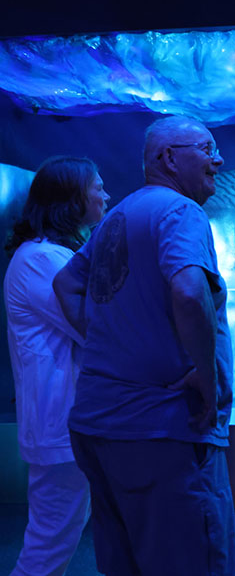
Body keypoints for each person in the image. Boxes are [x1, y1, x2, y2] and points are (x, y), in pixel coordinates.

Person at [52, 115, 235, 576]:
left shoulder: (118, 216)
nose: (219, 159)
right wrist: (205, 374)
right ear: (169, 158)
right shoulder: (181, 211)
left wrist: (106, 337)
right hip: (162, 430)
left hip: (99, 427)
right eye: (207, 147)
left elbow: (65, 284)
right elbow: (189, 291)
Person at [4, 155, 109, 576]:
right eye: (96, 187)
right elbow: (93, 327)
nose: (105, 193)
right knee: (48, 544)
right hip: (58, 424)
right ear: (70, 199)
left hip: (68, 424)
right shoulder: (40, 260)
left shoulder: (50, 256)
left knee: (56, 538)